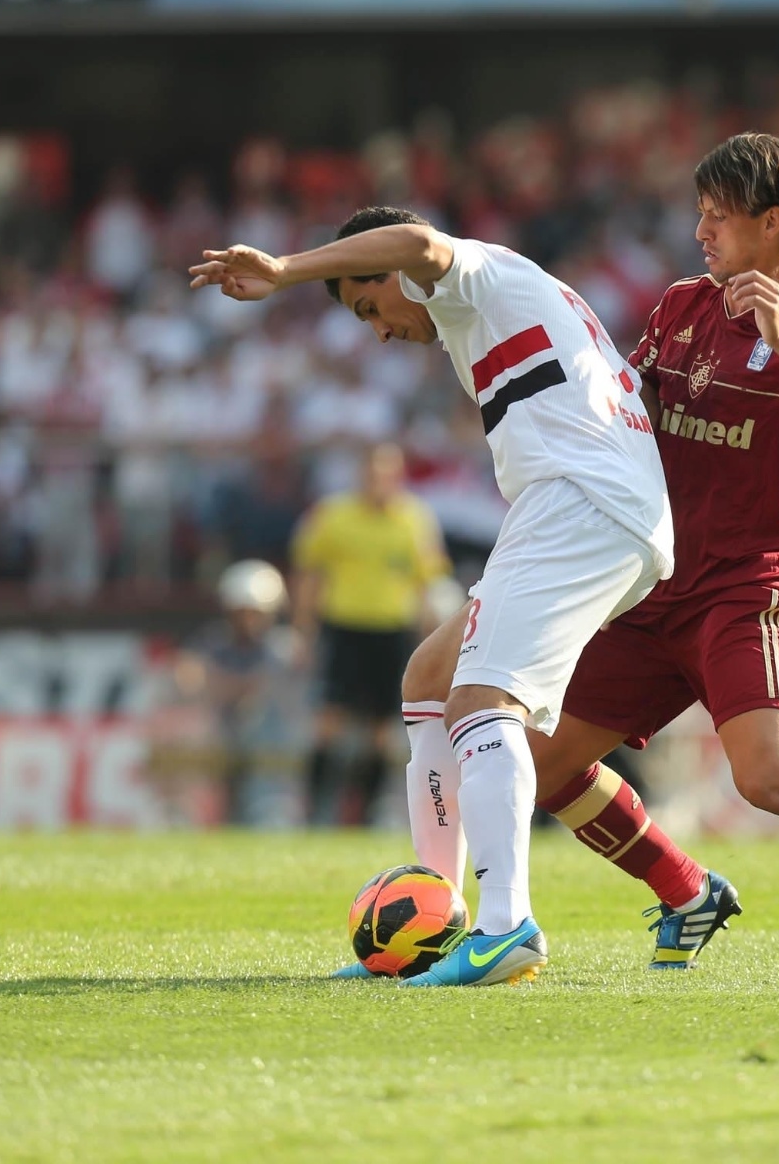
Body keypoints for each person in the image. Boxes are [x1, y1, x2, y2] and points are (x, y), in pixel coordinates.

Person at [396, 133, 779, 980]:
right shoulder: (682, 306)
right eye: (699, 213)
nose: (701, 230)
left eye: (719, 216)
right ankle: (686, 890)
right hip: (646, 582)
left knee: (769, 776)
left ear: (771, 223)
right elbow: (621, 411)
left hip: (743, 587)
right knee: (531, 765)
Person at [191, 204, 672, 988]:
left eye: (367, 306)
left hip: (581, 503)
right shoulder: (486, 305)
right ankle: (437, 922)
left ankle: (505, 924)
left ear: (389, 276)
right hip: (585, 508)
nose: (376, 329)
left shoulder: (467, 274)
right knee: (428, 679)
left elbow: (416, 242)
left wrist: (284, 270)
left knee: (483, 702)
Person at [290, 444, 447, 827]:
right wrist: (303, 632)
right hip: (344, 629)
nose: (380, 481)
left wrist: (434, 644)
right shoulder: (333, 516)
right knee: (329, 721)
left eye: (388, 473)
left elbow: (428, 584)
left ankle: (361, 817)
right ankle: (313, 813)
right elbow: (310, 575)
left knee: (380, 729)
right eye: (374, 473)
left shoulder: (414, 519)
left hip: (391, 633)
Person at [173, 560, 306, 828]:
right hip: (223, 742)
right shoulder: (214, 643)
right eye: (240, 613)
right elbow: (187, 676)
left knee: (269, 811)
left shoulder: (285, 647)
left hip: (272, 752)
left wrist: (224, 684)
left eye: (254, 613)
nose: (248, 621)